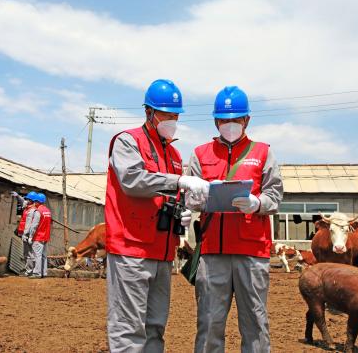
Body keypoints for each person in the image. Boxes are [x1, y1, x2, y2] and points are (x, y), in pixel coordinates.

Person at [105, 79, 210, 353]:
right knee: (129, 328)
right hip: (131, 249)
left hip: (163, 252)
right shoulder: (128, 141)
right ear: (149, 112)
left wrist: (184, 211)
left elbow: (172, 194)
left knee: (155, 326)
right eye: (166, 114)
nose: (172, 120)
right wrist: (179, 182)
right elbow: (133, 180)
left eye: (175, 115)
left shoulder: (173, 153)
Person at [186, 86, 283, 353]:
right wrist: (195, 199)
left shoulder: (263, 152)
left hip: (252, 252)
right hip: (212, 252)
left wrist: (257, 203)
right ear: (216, 121)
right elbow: (189, 195)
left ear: (247, 120)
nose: (230, 125)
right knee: (208, 323)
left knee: (255, 323)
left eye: (236, 120)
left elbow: (274, 195)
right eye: (224, 120)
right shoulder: (200, 153)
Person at [24, 192, 52, 279]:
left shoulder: (38, 211)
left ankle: (37, 273)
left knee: (37, 255)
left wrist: (31, 236)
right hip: (45, 236)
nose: (34, 203)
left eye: (35, 201)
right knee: (43, 256)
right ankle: (44, 272)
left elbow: (34, 225)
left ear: (37, 201)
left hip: (38, 237)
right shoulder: (47, 211)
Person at [13, 190, 38, 276]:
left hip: (27, 235)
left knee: (29, 253)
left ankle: (29, 271)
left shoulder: (32, 210)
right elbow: (22, 201)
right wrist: (17, 196)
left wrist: (27, 235)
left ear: (32, 201)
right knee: (26, 253)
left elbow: (31, 225)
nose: (26, 200)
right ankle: (28, 269)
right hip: (24, 234)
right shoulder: (28, 207)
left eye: (28, 199)